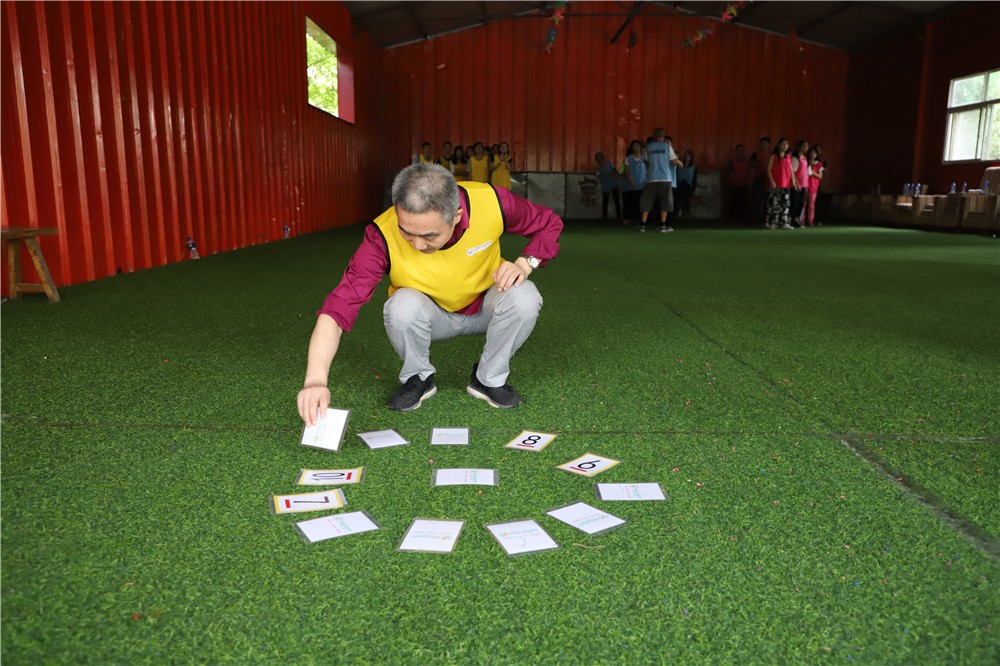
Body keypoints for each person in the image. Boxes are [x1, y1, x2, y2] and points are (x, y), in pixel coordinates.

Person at [297, 163, 564, 423]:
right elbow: (339, 307)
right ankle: (418, 377)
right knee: (400, 306)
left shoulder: (492, 201)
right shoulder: (381, 235)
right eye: (406, 232)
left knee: (525, 296)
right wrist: (315, 381)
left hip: (487, 307)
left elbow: (549, 223)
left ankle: (488, 379)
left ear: (456, 217)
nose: (416, 244)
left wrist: (525, 263)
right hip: (429, 317)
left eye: (429, 236)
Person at [639, 127, 683, 233]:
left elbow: (646, 161)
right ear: (663, 136)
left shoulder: (649, 147)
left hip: (652, 178)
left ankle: (643, 224)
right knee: (665, 201)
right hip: (665, 177)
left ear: (654, 136)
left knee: (647, 200)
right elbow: (674, 161)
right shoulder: (667, 147)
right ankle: (663, 224)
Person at [765, 137, 796, 229]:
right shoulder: (774, 156)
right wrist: (772, 181)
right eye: (783, 143)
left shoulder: (789, 157)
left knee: (785, 204)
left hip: (786, 185)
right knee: (774, 204)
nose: (785, 146)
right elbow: (769, 170)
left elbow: (791, 170)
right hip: (776, 184)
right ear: (779, 145)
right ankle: (773, 222)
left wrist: (793, 181)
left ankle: (784, 222)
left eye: (787, 144)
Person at [620, 140, 646, 227]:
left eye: (638, 146)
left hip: (642, 184)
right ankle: (630, 219)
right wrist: (631, 181)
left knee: (640, 203)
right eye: (634, 146)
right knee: (632, 203)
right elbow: (624, 172)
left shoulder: (644, 158)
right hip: (631, 186)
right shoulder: (628, 159)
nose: (636, 147)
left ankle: (639, 220)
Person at [749, 136, 771, 221]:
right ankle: (756, 217)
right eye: (762, 143)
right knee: (757, 198)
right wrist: (761, 162)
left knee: (768, 198)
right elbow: (751, 165)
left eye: (766, 143)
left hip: (768, 179)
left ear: (769, 144)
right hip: (758, 179)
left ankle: (766, 217)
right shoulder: (755, 154)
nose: (764, 145)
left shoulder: (772, 154)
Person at [595, 152, 622, 221]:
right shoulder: (597, 168)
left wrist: (614, 173)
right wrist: (601, 176)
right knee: (605, 201)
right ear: (596, 159)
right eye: (598, 158)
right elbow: (598, 176)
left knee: (616, 200)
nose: (600, 159)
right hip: (605, 186)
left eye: (601, 157)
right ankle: (605, 216)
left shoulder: (609, 163)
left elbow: (615, 169)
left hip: (613, 184)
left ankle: (619, 214)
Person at [789, 140, 810, 227]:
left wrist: (806, 184)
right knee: (794, 202)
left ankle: (797, 218)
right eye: (804, 146)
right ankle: (791, 219)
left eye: (807, 146)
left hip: (804, 184)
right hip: (796, 184)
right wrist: (796, 183)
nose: (806, 148)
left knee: (801, 203)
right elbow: (792, 172)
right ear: (799, 147)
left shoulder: (804, 157)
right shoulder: (795, 157)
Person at [727, 144, 750, 219]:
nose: (740, 152)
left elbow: (750, 173)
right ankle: (732, 218)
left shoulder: (748, 162)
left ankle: (742, 218)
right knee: (733, 202)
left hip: (744, 184)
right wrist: (732, 183)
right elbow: (730, 173)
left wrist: (748, 183)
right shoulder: (732, 162)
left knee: (743, 202)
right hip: (735, 185)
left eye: (741, 150)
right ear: (736, 151)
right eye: (738, 150)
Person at [804, 147, 823, 227]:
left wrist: (812, 172)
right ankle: (801, 220)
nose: (812, 154)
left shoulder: (819, 164)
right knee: (803, 203)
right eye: (811, 153)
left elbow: (820, 176)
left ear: (816, 155)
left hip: (813, 186)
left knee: (811, 204)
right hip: (804, 184)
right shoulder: (805, 161)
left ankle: (810, 221)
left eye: (814, 153)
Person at [674, 151, 697, 220]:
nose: (687, 157)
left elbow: (694, 178)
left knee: (687, 197)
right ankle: (678, 212)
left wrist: (693, 187)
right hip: (679, 185)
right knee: (678, 196)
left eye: (688, 156)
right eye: (685, 156)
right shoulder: (679, 166)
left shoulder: (693, 167)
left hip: (688, 186)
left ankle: (686, 213)